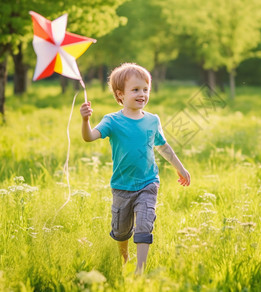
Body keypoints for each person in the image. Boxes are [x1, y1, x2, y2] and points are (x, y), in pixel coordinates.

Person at [79, 62, 191, 274]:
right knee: (121, 232)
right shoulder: (112, 121)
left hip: (148, 183)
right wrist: (85, 120)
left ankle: (140, 270)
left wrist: (180, 168)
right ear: (120, 95)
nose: (142, 94)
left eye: (145, 89)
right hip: (122, 186)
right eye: (136, 90)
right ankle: (124, 259)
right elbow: (89, 137)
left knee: (144, 224)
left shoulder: (152, 120)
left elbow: (163, 146)